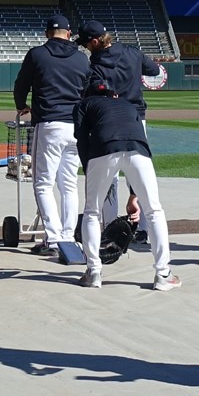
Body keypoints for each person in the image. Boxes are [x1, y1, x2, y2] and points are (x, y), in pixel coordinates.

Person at [73, 73, 178, 291]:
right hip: (139, 150)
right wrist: (134, 195)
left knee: (92, 211)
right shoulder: (128, 105)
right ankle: (163, 275)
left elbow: (82, 140)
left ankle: (93, 272)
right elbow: (138, 137)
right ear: (114, 93)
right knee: (154, 211)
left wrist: (90, 169)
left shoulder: (84, 104)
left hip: (104, 148)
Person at [12, 13, 90, 253]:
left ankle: (54, 239)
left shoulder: (37, 54)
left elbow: (21, 85)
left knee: (43, 184)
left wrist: (21, 105)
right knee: (69, 184)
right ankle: (67, 236)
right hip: (76, 127)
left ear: (47, 33)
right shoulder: (82, 59)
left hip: (49, 124)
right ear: (68, 34)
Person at [77, 18, 162, 223]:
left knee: (109, 178)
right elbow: (154, 70)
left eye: (86, 44)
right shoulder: (132, 52)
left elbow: (91, 90)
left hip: (108, 121)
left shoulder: (95, 66)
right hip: (136, 118)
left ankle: (110, 226)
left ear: (95, 42)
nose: (86, 48)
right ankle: (142, 228)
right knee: (140, 177)